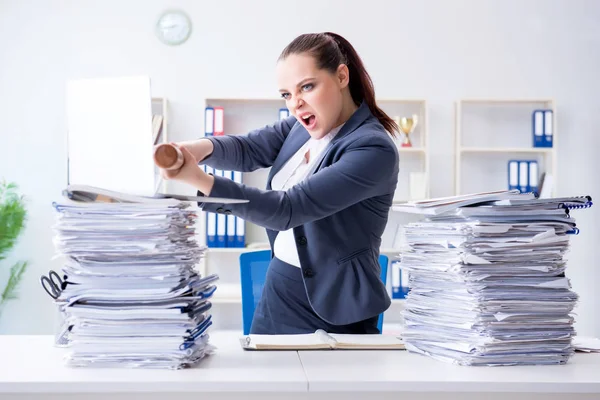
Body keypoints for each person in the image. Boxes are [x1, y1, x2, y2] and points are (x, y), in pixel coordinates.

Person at [157, 32, 400, 335]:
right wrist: (197, 149)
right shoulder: (301, 127)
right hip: (280, 287)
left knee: (330, 383)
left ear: (341, 76)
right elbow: (249, 148)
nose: (296, 105)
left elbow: (289, 209)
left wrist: (199, 179)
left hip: (336, 304)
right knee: (264, 381)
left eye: (307, 87)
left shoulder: (372, 150)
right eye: (286, 94)